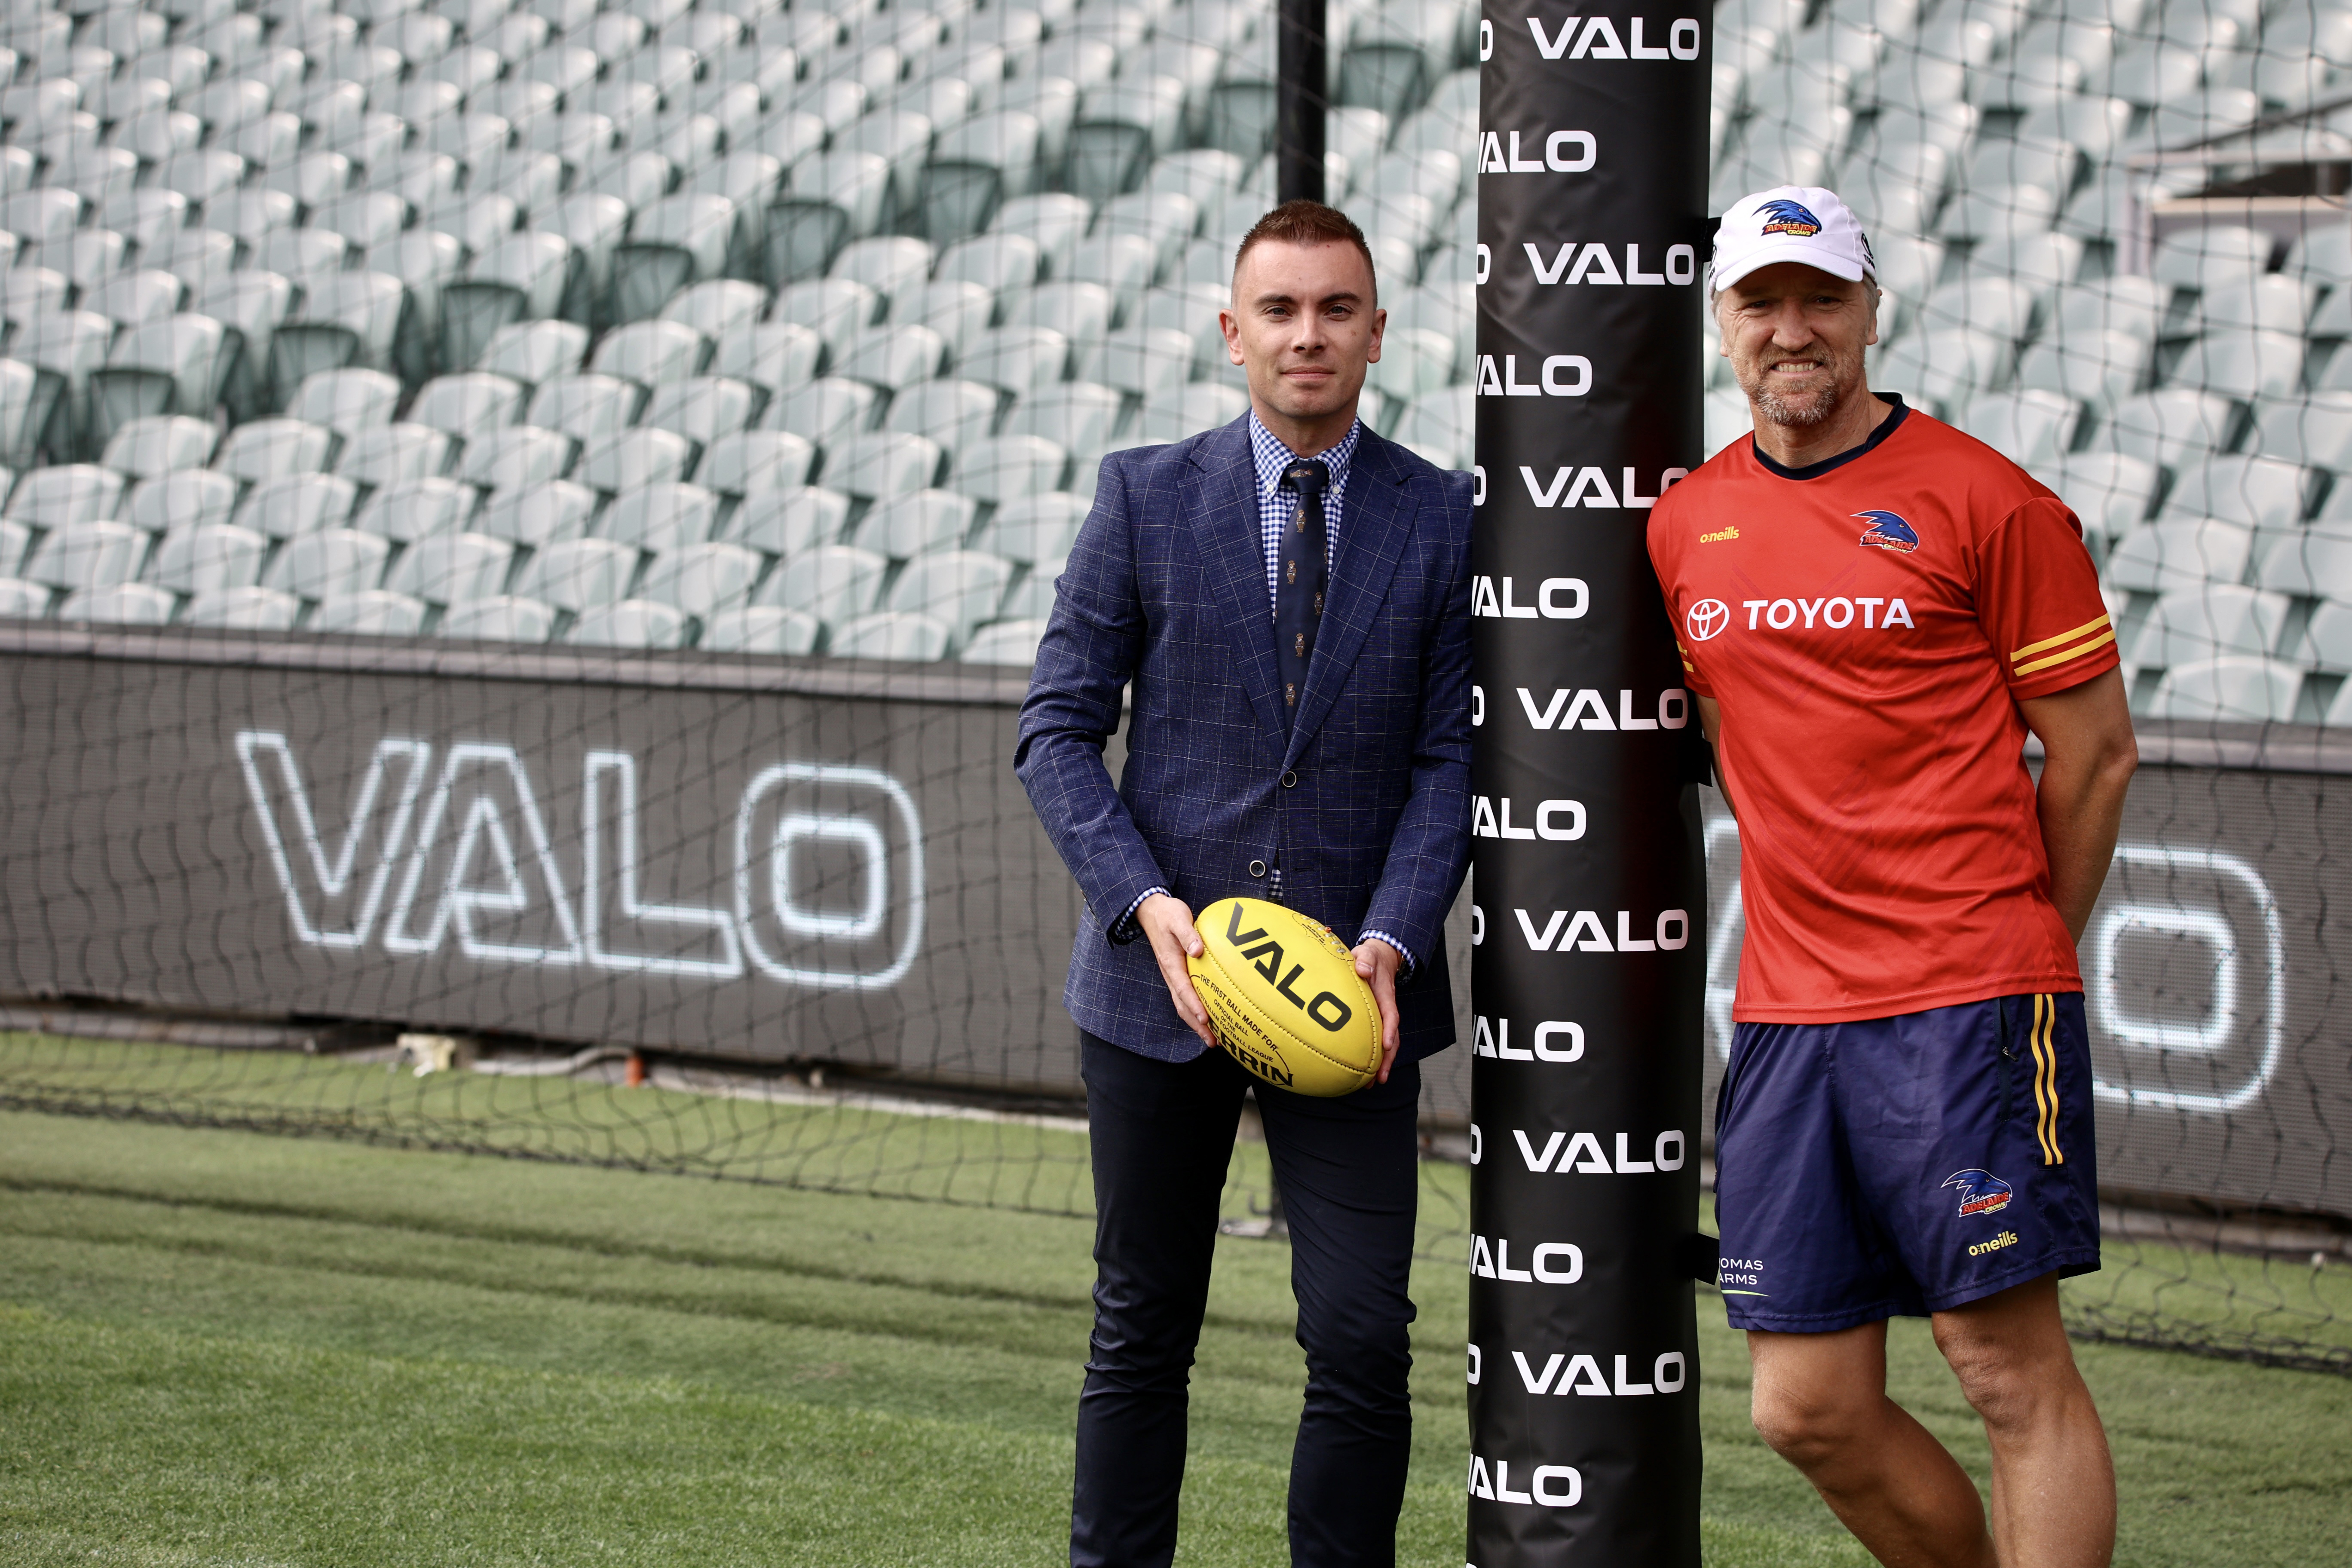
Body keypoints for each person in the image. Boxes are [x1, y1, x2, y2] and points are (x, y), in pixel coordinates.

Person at [1648, 186, 2138, 1568]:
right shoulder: (1687, 525)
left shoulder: (1988, 499)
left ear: (1872, 308)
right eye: (1762, 303)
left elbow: (2095, 758)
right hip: (1794, 1016)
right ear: (1724, 322)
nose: (1792, 331)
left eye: (1822, 300)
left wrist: (2028, 945)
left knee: (2001, 1372)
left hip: (1967, 997)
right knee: (1806, 1409)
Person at [1015, 199, 1473, 1568]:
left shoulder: (1444, 516)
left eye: (1337, 308)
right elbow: (1055, 729)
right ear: (1233, 333)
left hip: (1349, 1006)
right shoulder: (1144, 494)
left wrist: (1390, 941)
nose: (1308, 334)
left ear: (1379, 331)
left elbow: (1450, 762)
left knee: (1359, 1340)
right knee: (1141, 1324)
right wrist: (1145, 906)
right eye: (1279, 310)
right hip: (1160, 993)